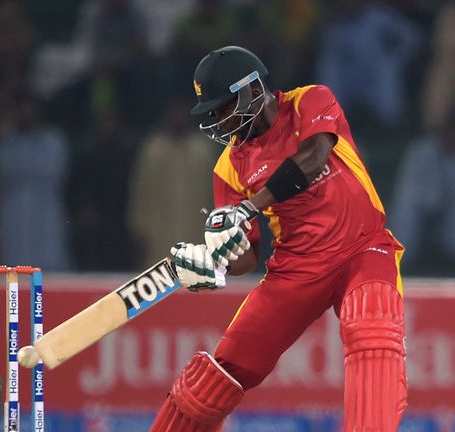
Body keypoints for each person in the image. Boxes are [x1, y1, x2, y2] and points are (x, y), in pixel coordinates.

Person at [150, 46, 406, 431]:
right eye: (214, 114)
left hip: (362, 248)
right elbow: (247, 258)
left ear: (253, 89)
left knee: (371, 326)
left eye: (224, 108)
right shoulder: (229, 167)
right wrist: (215, 261)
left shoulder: (310, 100)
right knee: (210, 383)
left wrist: (250, 207)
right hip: (296, 271)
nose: (221, 121)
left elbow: (314, 156)